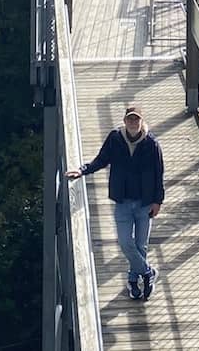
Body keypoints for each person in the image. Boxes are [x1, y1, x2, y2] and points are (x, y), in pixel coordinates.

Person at [67, 104, 165, 300]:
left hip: (145, 202)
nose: (133, 122)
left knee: (141, 245)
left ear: (142, 121)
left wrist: (157, 201)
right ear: (124, 121)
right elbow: (102, 159)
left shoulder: (152, 144)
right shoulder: (115, 139)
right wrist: (83, 170)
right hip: (123, 201)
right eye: (130, 119)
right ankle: (147, 273)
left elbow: (158, 174)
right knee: (125, 242)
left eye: (136, 119)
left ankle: (132, 281)